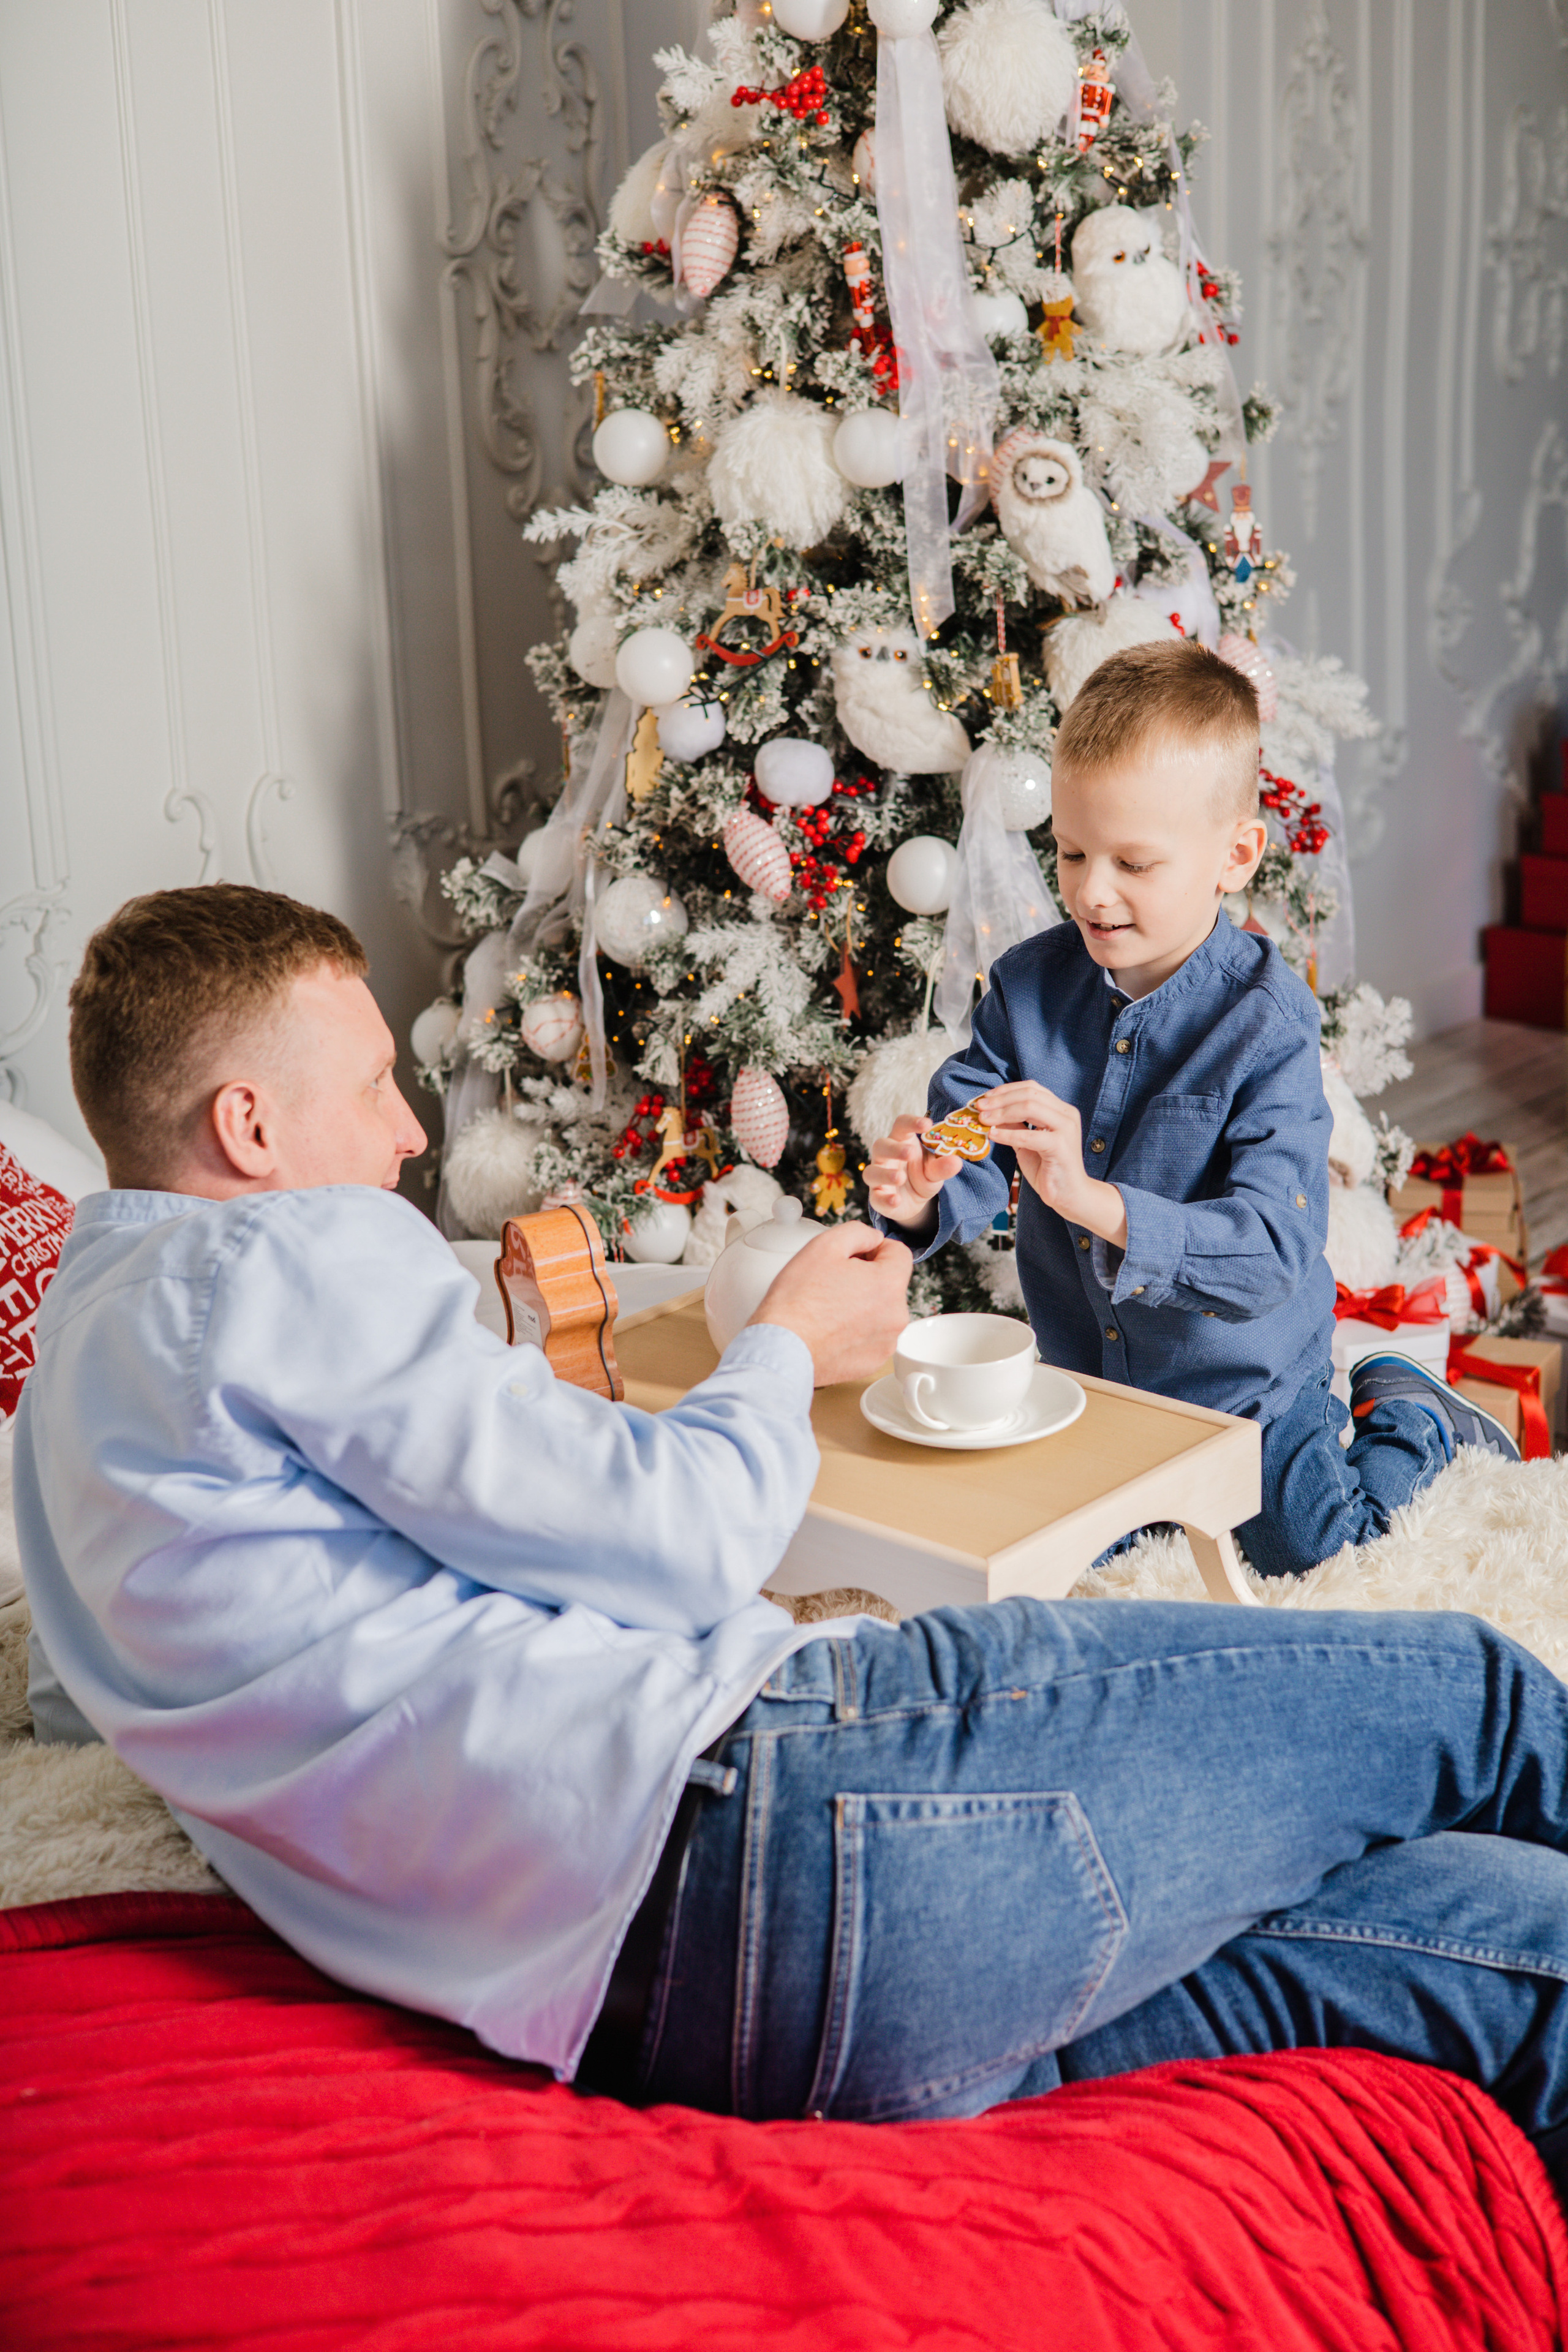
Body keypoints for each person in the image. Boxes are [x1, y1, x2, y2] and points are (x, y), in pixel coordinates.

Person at [16, 885, 1568, 2203]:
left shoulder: (72, 1400)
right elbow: (679, 1537)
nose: (411, 1130)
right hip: (791, 1814)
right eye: (369, 1084)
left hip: (718, 2016)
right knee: (1466, 1699)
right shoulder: (278, 1261)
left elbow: (77, 1702)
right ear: (248, 1127)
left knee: (1476, 1943)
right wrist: (782, 1347)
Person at [867, 640, 1519, 1580]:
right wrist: (924, 1189)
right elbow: (966, 1144)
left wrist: (1093, 1201)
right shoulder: (1027, 990)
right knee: (1051, 1548)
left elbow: (1269, 1253)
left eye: (1135, 862)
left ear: (1234, 857)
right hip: (1089, 1379)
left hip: (1245, 1388)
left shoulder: (1268, 1024)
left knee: (1312, 1546)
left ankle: (1412, 1407)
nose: (1093, 890)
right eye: (1074, 850)